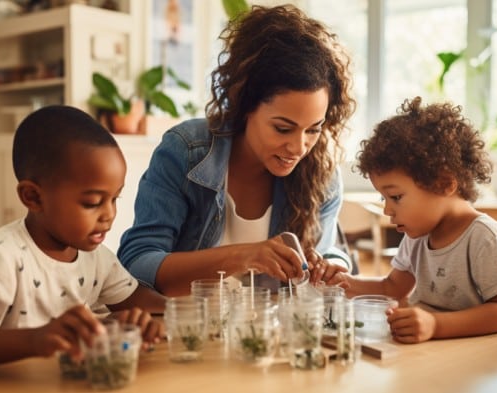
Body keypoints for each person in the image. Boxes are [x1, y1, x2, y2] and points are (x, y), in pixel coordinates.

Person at [117, 4, 356, 296]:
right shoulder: (186, 151)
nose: (299, 147)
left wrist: (332, 265)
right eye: (282, 128)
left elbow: (325, 251)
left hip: (271, 334)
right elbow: (135, 265)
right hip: (191, 328)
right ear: (245, 106)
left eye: (313, 129)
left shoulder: (322, 175)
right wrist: (243, 256)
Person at [0, 106, 166, 369]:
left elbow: (138, 299)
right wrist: (36, 339)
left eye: (114, 199)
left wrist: (143, 320)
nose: (109, 214)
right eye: (92, 202)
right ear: (33, 197)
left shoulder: (96, 258)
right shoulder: (0, 259)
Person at [329, 97, 497, 343]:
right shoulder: (417, 236)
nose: (387, 210)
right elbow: (391, 288)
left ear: (444, 183)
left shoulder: (484, 238)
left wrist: (435, 325)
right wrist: (346, 282)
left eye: (395, 197)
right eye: (384, 197)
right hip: (456, 354)